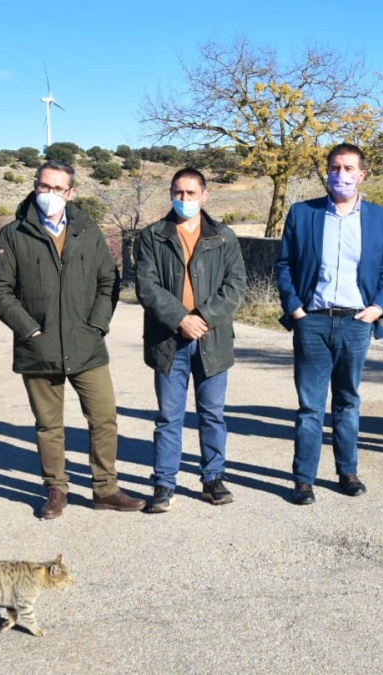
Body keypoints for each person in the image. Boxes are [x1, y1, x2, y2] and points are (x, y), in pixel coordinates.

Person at [0, 159, 144, 518]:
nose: (50, 195)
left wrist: (98, 324)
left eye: (58, 189)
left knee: (104, 418)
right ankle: (56, 489)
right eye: (44, 187)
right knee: (48, 425)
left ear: (71, 192)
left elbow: (109, 280)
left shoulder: (87, 230)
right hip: (37, 349)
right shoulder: (13, 234)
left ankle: (105, 488)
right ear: (35, 186)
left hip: (87, 345)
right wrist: (29, 329)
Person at [274, 143, 383, 505]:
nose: (340, 175)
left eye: (348, 169)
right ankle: (304, 479)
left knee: (347, 402)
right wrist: (295, 309)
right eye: (334, 168)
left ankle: (348, 472)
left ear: (362, 175)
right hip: (312, 322)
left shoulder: (381, 218)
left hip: (356, 323)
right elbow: (284, 266)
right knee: (310, 407)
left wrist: (378, 307)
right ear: (326, 172)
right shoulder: (302, 214)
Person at [134, 168, 246, 513]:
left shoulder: (224, 237)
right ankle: (164, 484)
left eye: (191, 193)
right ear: (171, 193)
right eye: (178, 193)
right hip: (169, 340)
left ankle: (213, 478)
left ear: (205, 195)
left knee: (212, 413)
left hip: (212, 340)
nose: (183, 200)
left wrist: (203, 318)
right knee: (169, 416)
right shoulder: (152, 236)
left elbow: (235, 286)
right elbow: (146, 286)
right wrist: (180, 318)